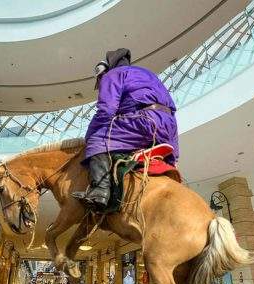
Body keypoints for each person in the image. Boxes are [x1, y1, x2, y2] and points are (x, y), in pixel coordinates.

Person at [72, 48, 179, 210]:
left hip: (143, 121)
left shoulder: (111, 75)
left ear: (103, 72)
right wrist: (174, 158)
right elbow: (171, 112)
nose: (101, 84)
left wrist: (90, 136)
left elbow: (106, 111)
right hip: (168, 125)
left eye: (99, 81)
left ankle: (100, 192)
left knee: (97, 140)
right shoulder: (149, 75)